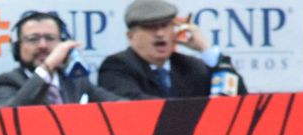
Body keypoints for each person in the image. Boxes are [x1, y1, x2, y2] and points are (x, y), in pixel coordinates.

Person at [97, 0, 247, 100]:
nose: (160, 34)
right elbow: (137, 106)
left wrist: (207, 50)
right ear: (131, 36)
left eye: (165, 26)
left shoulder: (191, 66)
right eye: (151, 28)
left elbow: (234, 97)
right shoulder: (116, 66)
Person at [0, 10, 122, 107]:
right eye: (33, 39)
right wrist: (48, 66)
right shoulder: (6, 82)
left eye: (50, 38)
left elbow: (120, 105)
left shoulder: (76, 81)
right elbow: (9, 115)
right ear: (17, 47)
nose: (43, 45)